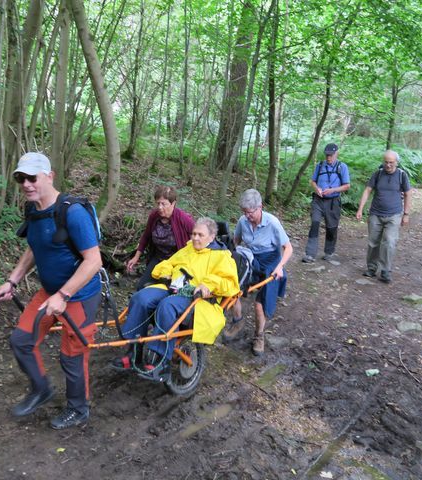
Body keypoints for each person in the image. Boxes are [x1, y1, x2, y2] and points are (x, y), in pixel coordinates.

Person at [0, 152, 102, 430]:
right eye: (21, 178)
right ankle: (41, 389)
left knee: (72, 354)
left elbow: (94, 261)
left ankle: (78, 409)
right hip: (49, 292)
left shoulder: (72, 213)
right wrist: (13, 280)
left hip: (79, 295)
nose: (26, 184)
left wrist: (63, 295)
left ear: (50, 176)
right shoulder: (33, 210)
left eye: (32, 177)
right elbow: (35, 247)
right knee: (21, 340)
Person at [112, 217, 239, 381]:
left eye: (200, 235)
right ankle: (132, 353)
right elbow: (170, 263)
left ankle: (161, 362)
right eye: (193, 234)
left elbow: (229, 282)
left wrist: (208, 285)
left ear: (212, 236)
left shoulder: (222, 256)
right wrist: (165, 270)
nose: (195, 238)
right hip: (172, 288)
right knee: (140, 298)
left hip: (197, 299)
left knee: (167, 306)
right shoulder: (188, 249)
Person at [222, 189, 293, 355]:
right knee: (232, 288)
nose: (247, 216)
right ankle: (238, 321)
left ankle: (259, 335)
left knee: (260, 304)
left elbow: (288, 248)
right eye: (244, 212)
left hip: (271, 263)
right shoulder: (242, 221)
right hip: (252, 259)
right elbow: (236, 241)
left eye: (250, 212)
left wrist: (280, 266)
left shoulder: (273, 223)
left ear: (260, 207)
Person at [355, 150, 412, 284]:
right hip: (376, 214)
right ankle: (371, 268)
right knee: (373, 242)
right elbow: (368, 190)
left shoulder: (402, 175)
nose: (388, 165)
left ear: (396, 163)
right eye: (386, 162)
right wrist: (360, 209)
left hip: (394, 214)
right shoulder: (378, 174)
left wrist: (406, 214)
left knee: (389, 242)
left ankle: (386, 270)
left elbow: (408, 194)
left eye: (391, 162)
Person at [126, 186, 194, 290]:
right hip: (159, 259)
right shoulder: (154, 216)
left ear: (173, 203)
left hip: (176, 262)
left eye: (163, 204)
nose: (160, 207)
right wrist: (136, 257)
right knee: (141, 288)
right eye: (158, 203)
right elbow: (146, 236)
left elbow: (198, 235)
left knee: (169, 290)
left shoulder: (183, 218)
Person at [302, 143, 351, 263]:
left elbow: (347, 186)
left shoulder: (342, 167)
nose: (329, 157)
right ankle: (310, 254)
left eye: (331, 155)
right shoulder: (320, 165)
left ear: (336, 154)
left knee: (331, 227)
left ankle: (329, 252)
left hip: (333, 202)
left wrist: (333, 190)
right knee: (314, 224)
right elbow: (313, 181)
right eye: (327, 155)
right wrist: (316, 188)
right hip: (318, 201)